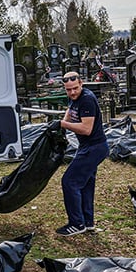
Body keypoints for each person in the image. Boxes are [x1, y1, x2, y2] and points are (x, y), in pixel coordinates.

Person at [56, 71, 108, 236]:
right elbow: (70, 113)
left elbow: (86, 129)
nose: (72, 92)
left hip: (94, 148)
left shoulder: (87, 99)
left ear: (81, 84)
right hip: (87, 147)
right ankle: (87, 222)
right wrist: (62, 125)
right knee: (85, 184)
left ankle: (76, 224)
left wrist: (63, 125)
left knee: (69, 182)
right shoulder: (74, 98)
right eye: (68, 90)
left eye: (75, 88)